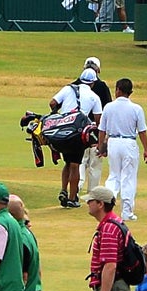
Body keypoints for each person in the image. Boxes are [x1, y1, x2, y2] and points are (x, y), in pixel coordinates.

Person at [47, 64, 105, 208]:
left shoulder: (68, 89)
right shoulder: (94, 96)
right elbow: (98, 121)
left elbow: (52, 102)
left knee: (67, 162)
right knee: (75, 165)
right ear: (93, 82)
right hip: (78, 134)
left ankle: (63, 189)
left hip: (62, 131)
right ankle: (72, 198)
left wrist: (58, 115)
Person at [99, 78, 147, 220]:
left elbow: (102, 130)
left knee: (114, 175)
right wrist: (146, 149)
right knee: (128, 177)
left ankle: (106, 208)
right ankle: (127, 212)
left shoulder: (109, 107)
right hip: (129, 143)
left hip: (113, 142)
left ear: (118, 90)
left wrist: (100, 147)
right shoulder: (136, 108)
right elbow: (142, 131)